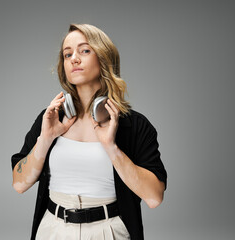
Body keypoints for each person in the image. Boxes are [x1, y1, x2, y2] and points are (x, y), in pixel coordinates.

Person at [11, 23, 167, 240]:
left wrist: (112, 148)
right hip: (52, 230)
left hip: (108, 231)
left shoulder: (134, 126)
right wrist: (46, 138)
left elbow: (154, 198)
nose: (74, 58)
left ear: (103, 58)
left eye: (84, 50)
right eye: (67, 54)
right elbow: (19, 184)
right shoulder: (51, 117)